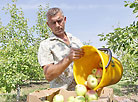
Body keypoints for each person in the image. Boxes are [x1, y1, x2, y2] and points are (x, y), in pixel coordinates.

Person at [38, 7, 84, 91]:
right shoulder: (46, 45)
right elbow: (48, 75)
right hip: (61, 95)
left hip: (82, 91)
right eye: (53, 23)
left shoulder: (76, 40)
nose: (57, 25)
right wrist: (68, 59)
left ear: (64, 19)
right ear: (48, 24)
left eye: (59, 21)